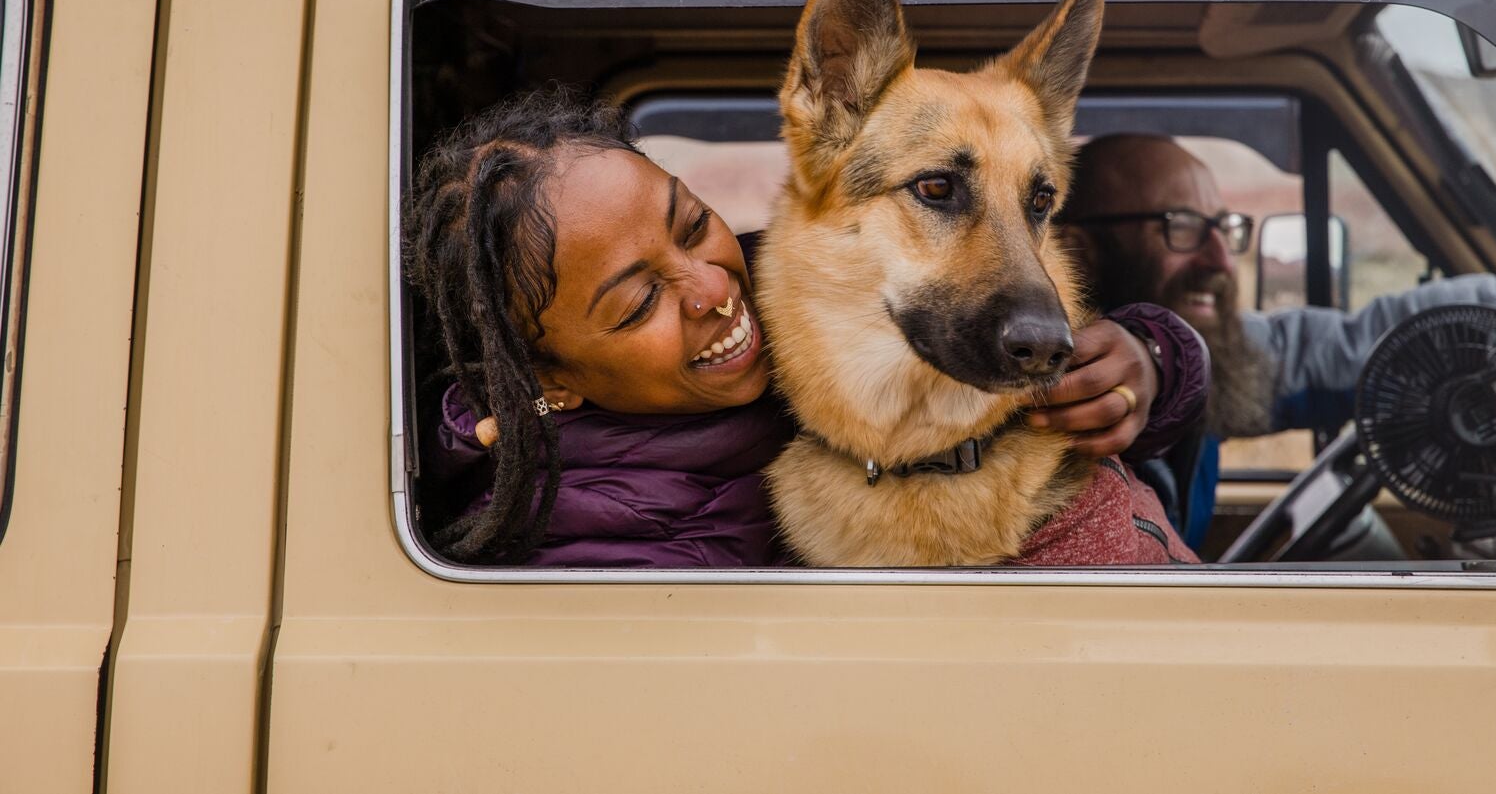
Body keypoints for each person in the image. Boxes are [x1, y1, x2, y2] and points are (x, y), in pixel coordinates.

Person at [403, 89, 1211, 567]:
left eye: (691, 225)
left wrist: (1149, 358)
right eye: (638, 303)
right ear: (554, 381)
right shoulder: (596, 552)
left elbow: (1005, 315)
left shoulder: (794, 289)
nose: (714, 289)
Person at [1058, 133, 1496, 554]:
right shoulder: (1035, 414)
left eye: (1224, 229)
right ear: (1077, 252)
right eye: (1182, 227)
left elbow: (1351, 347)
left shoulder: (1207, 356)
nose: (1222, 262)